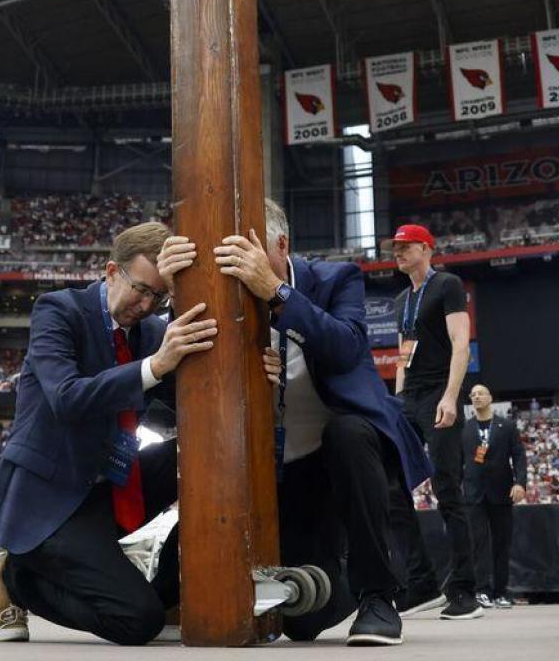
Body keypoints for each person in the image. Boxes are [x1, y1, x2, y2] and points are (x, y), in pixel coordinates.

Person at [0, 221, 275, 645]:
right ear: (112, 272)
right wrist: (155, 366)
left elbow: (186, 403)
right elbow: (67, 398)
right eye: (142, 289)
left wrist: (261, 373)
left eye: (159, 296)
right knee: (138, 623)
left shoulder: (153, 333)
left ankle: (176, 591)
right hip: (50, 502)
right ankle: (16, 578)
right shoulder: (58, 310)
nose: (148, 304)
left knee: (200, 452)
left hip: (108, 487)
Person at [156, 199, 432, 646]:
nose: (237, 266)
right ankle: (341, 576)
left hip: (339, 457)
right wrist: (177, 299)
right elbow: (177, 403)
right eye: (226, 255)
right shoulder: (218, 295)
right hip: (279, 473)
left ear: (281, 245)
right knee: (303, 622)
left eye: (247, 252)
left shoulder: (335, 279)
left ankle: (379, 594)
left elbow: (346, 348)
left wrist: (276, 292)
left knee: (348, 432)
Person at [382, 223, 484, 621]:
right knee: (391, 481)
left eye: (406, 247)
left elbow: (461, 343)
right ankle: (421, 582)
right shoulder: (400, 301)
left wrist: (450, 396)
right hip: (410, 397)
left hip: (442, 390)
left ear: (427, 248)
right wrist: (397, 398)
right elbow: (404, 354)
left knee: (447, 486)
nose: (398, 253)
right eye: (395, 248)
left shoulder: (448, 285)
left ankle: (465, 590)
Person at [460, 385, 525, 609]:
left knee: (501, 544)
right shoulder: (465, 429)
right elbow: (458, 461)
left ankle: (501, 592)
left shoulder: (505, 426)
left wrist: (520, 483)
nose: (476, 396)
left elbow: (519, 456)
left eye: (481, 393)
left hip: (501, 491)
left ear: (490, 398)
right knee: (479, 544)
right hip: (473, 494)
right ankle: (482, 591)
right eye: (473, 394)